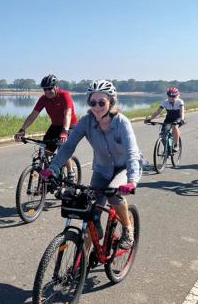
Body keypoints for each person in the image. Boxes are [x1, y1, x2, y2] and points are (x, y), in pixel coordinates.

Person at [40, 80, 142, 250]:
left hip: (124, 168)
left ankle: (127, 228)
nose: (97, 106)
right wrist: (53, 168)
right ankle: (82, 263)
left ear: (111, 102)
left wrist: (132, 180)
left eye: (102, 102)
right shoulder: (86, 121)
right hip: (102, 169)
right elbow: (68, 147)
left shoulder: (121, 122)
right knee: (89, 211)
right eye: (92, 102)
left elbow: (132, 152)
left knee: (113, 195)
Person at [14, 74, 78, 184]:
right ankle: (48, 177)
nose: (47, 91)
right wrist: (22, 129)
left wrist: (65, 131)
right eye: (45, 89)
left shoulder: (64, 95)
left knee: (63, 150)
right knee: (44, 151)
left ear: (56, 87)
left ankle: (70, 172)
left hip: (69, 125)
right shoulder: (43, 99)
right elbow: (33, 115)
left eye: (49, 88)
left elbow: (68, 114)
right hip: (55, 126)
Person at [145, 87, 185, 152]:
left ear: (178, 95)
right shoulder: (165, 102)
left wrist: (182, 119)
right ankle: (167, 149)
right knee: (163, 134)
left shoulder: (180, 102)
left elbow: (182, 112)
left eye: (174, 96)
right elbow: (158, 112)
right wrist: (150, 119)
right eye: (170, 96)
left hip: (178, 118)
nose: (171, 98)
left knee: (174, 126)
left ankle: (176, 144)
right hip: (168, 118)